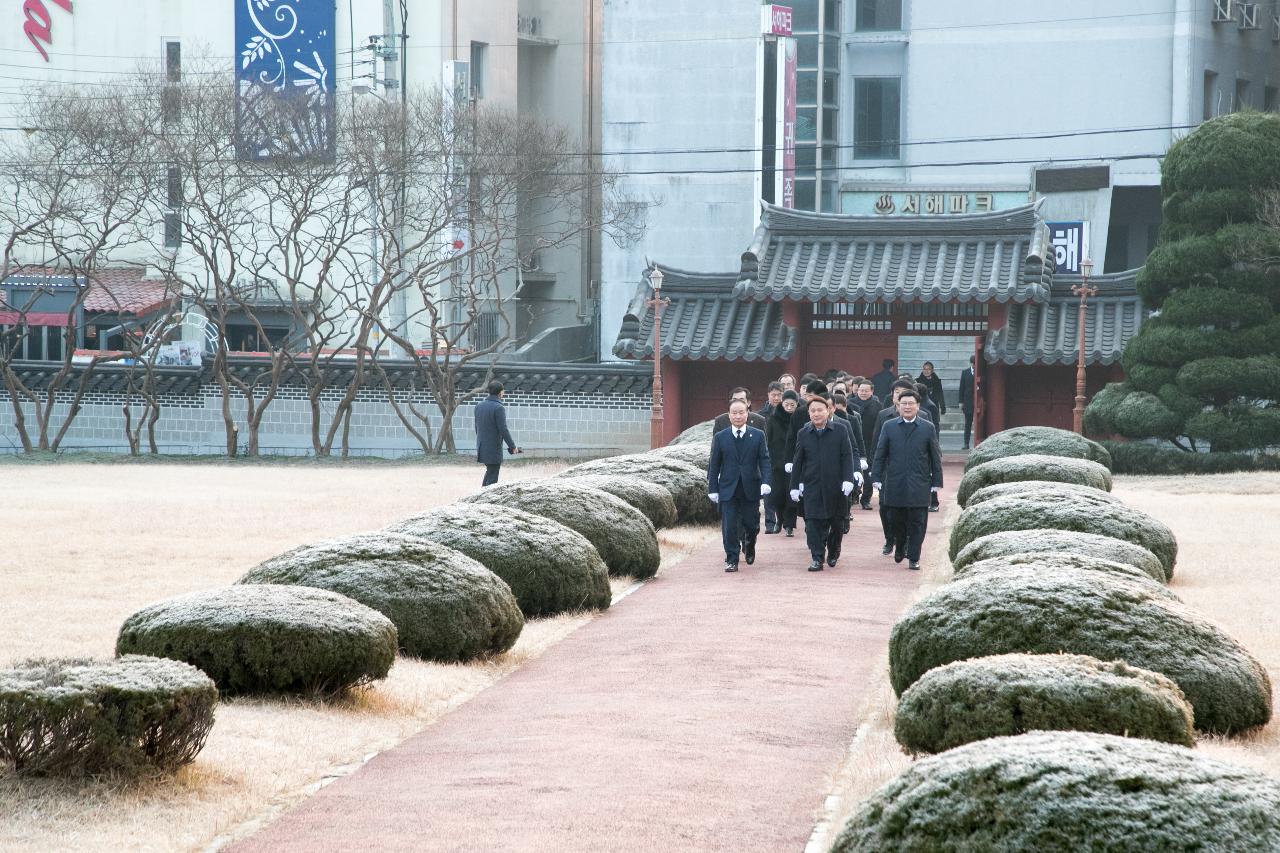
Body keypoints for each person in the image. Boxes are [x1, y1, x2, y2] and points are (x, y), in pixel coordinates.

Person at [872, 389, 943, 572]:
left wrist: (937, 480)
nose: (907, 407)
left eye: (911, 403)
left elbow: (935, 456)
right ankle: (900, 544)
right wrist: (877, 476)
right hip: (895, 481)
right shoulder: (889, 426)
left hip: (920, 481)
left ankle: (914, 557)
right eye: (904, 403)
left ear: (918, 406)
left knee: (918, 521)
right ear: (898, 405)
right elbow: (880, 454)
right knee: (896, 519)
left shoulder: (927, 427)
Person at [789, 395, 857, 571]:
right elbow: (798, 460)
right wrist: (794, 486)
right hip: (812, 485)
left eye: (820, 410)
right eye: (812, 411)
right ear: (808, 414)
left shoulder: (841, 430)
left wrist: (848, 479)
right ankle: (817, 557)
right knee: (812, 523)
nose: (816, 414)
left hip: (836, 486)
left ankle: (834, 551)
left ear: (829, 410)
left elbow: (847, 456)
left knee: (836, 523)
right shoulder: (803, 433)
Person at [707, 400, 772, 572]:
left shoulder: (757, 435)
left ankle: (750, 544)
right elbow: (714, 464)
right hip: (728, 488)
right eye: (734, 413)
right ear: (729, 415)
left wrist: (766, 482)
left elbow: (764, 460)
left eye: (741, 412)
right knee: (729, 525)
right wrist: (712, 488)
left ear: (747, 414)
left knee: (751, 524)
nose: (738, 416)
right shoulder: (721, 437)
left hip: (750, 486)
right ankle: (732, 558)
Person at [474, 380, 520, 487]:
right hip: (493, 448)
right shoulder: (499, 407)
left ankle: (480, 497)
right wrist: (512, 447)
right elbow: (503, 429)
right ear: (500, 393)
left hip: (481, 446)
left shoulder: (479, 406)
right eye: (503, 391)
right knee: (492, 478)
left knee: (490, 472)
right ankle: (485, 500)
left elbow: (477, 428)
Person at [765, 390, 799, 536]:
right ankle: (779, 520)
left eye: (793, 404)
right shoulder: (773, 419)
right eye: (787, 404)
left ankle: (789, 525)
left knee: (792, 494)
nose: (790, 407)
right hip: (777, 462)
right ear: (782, 403)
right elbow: (768, 440)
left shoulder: (799, 419)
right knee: (778, 494)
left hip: (795, 461)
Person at [851, 380, 882, 510]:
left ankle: (866, 499)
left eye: (866, 390)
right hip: (853, 441)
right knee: (853, 469)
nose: (863, 393)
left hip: (870, 442)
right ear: (857, 390)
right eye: (861, 390)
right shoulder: (850, 404)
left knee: (869, 471)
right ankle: (854, 494)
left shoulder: (877, 406)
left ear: (872, 391)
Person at [959, 355, 976, 450]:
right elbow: (962, 388)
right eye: (973, 363)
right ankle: (966, 443)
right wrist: (961, 402)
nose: (974, 365)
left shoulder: (980, 372)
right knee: (968, 423)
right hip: (968, 401)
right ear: (971, 363)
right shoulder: (965, 372)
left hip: (977, 401)